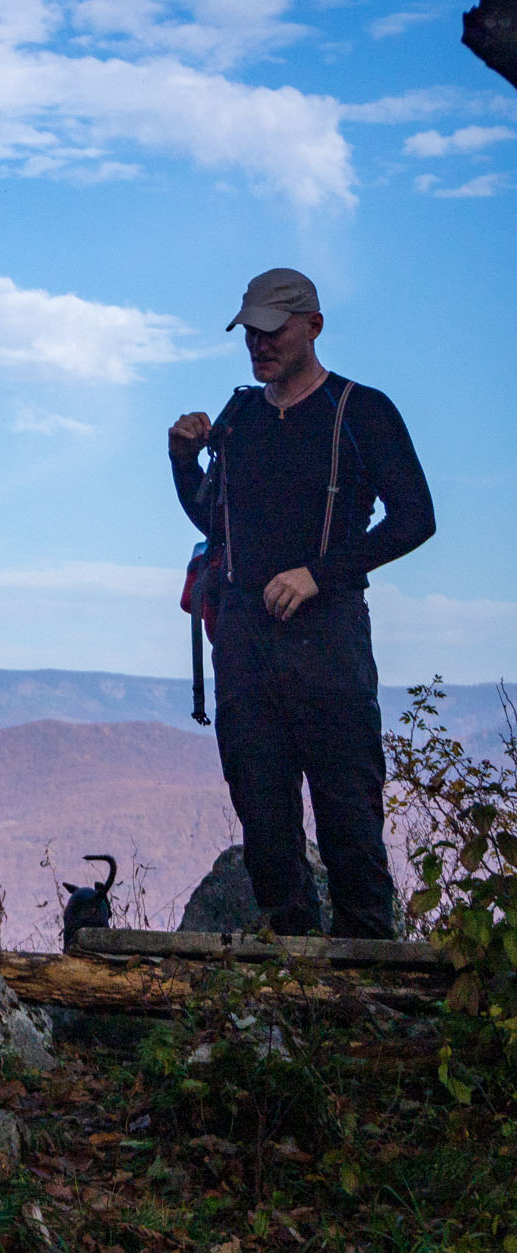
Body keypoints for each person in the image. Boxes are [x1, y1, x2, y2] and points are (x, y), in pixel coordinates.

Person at [170, 268, 435, 938]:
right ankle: (288, 982)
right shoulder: (238, 418)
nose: (258, 344)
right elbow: (215, 523)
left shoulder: (360, 411)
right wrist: (181, 462)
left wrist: (320, 574)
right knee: (262, 809)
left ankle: (373, 984)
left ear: (312, 326)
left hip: (328, 636)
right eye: (249, 332)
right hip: (243, 636)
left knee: (347, 806)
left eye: (272, 329)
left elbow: (415, 518)